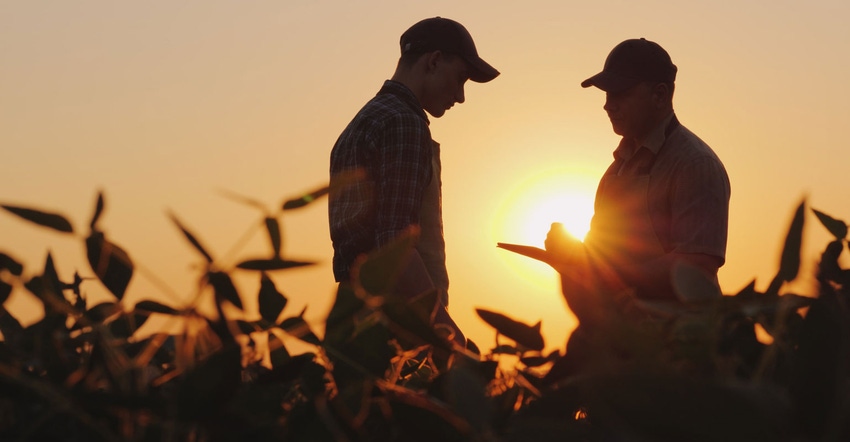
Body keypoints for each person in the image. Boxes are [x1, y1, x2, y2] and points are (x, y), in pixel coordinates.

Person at [328, 17, 499, 347]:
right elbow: (396, 245)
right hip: (396, 329)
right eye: (460, 78)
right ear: (434, 61)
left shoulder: (361, 123)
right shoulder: (404, 122)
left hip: (353, 322)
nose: (461, 96)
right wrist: (447, 335)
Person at [544, 38, 730, 332]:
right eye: (606, 94)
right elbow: (601, 255)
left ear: (660, 94)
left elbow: (697, 267)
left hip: (685, 343)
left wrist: (605, 274)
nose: (608, 105)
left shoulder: (695, 165)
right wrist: (570, 255)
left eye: (620, 93)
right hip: (622, 337)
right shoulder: (614, 172)